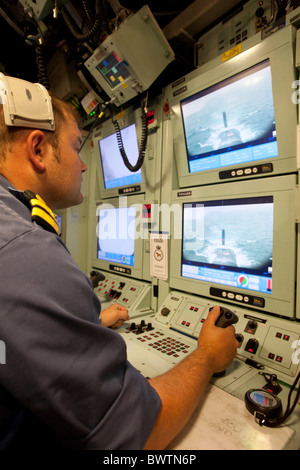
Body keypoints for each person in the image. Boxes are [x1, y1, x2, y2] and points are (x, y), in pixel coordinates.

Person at [0, 78, 238, 450]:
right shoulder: (26, 248)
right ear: (39, 149)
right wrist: (208, 355)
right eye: (77, 147)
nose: (82, 166)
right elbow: (135, 435)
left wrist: (84, 326)